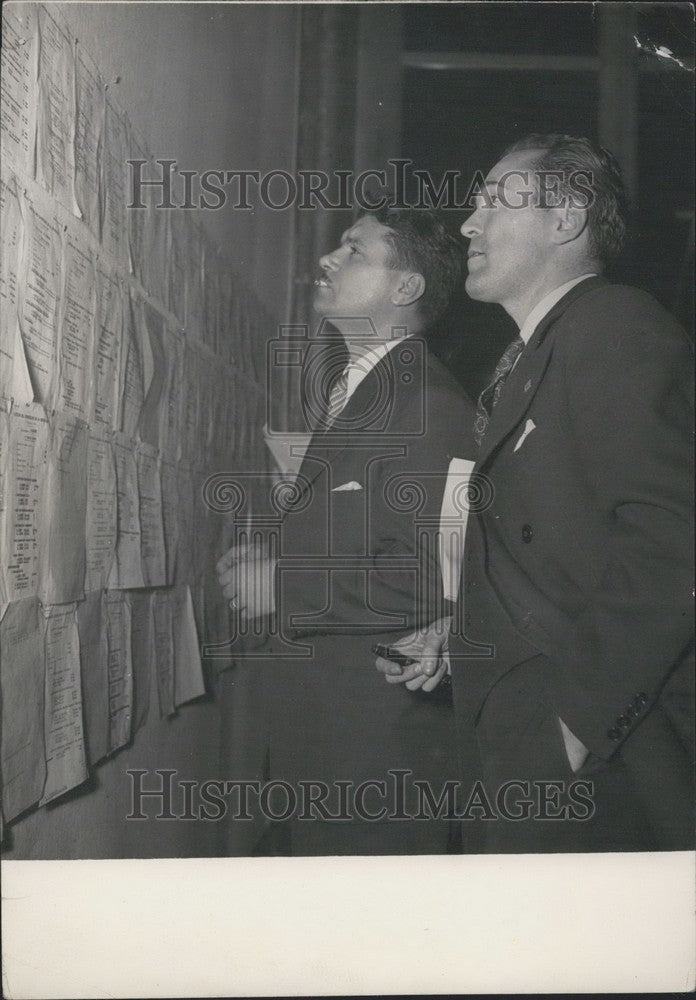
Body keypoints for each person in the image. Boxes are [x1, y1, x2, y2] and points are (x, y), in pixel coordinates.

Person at [381, 133, 694, 852]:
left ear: (566, 220)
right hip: (524, 731)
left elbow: (676, 539)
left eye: (495, 201)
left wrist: (574, 728)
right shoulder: (537, 352)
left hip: (597, 751)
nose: (468, 224)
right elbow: (556, 553)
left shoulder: (615, 327)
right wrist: (462, 637)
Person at [217, 207, 479, 855]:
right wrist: (279, 552)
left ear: (406, 288)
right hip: (327, 744)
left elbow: (434, 581)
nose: (328, 259)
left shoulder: (432, 407)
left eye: (355, 251)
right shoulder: (359, 392)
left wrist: (282, 583)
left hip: (377, 760)